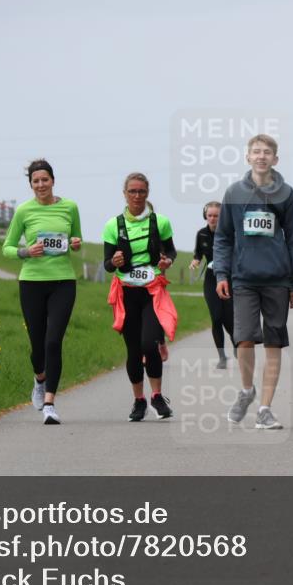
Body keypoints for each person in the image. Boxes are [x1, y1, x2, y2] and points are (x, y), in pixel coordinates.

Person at [214, 134, 293, 430]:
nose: (261, 156)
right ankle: (246, 390)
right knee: (244, 338)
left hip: (277, 279)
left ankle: (265, 408)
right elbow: (224, 237)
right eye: (256, 152)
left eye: (267, 152)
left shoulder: (287, 195)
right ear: (247, 157)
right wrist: (221, 274)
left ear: (275, 159)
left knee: (274, 342)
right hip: (243, 279)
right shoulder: (233, 193)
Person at [2, 159, 83, 425]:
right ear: (31, 184)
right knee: (37, 345)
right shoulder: (24, 211)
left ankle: (50, 403)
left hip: (63, 282)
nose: (40, 185)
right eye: (35, 181)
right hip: (31, 283)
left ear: (53, 180)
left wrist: (75, 243)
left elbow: (76, 242)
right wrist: (26, 251)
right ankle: (39, 379)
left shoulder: (69, 207)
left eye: (44, 180)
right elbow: (7, 248)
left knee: (53, 342)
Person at [103, 172, 178, 422]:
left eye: (141, 192)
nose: (137, 196)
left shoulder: (161, 221)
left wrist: (167, 260)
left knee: (149, 344)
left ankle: (157, 396)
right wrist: (113, 261)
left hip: (152, 291)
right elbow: (107, 264)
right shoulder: (113, 225)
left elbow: (171, 250)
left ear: (148, 194)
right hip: (126, 293)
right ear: (124, 194)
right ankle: (139, 401)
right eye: (132, 191)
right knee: (133, 350)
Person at [189, 201, 235, 369]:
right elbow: (198, 254)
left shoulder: (231, 232)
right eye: (210, 215)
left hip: (229, 278)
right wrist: (195, 261)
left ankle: (237, 344)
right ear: (205, 216)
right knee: (216, 317)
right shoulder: (201, 234)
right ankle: (222, 357)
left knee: (229, 319)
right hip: (211, 277)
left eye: (216, 216)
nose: (213, 219)